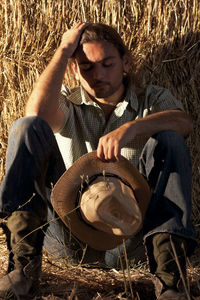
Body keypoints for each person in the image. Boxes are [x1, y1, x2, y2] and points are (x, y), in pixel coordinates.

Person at [0, 22, 197, 299]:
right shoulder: (68, 104)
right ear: (74, 70)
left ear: (125, 62)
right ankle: (22, 269)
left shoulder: (151, 99)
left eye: (107, 64)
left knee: (170, 139)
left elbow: (184, 123)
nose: (98, 75)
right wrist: (64, 50)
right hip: (68, 240)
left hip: (132, 241)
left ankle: (170, 279)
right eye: (87, 67)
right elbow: (36, 114)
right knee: (26, 128)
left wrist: (131, 129)